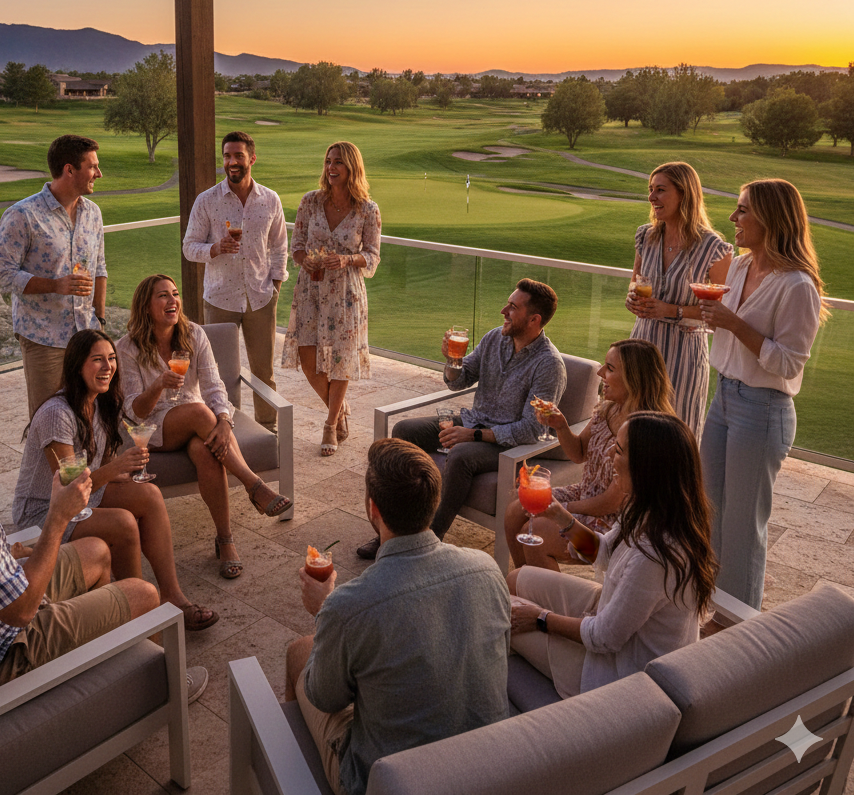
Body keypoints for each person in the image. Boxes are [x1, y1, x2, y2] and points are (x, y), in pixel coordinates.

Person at [0, 372, 208, 702]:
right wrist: (57, 517)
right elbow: (22, 611)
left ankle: (117, 669)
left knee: (96, 550)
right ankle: (167, 688)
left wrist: (2, 552)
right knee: (143, 593)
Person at [284, 438, 510, 795]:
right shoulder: (487, 569)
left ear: (373, 509)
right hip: (488, 768)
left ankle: (292, 771)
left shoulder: (348, 606)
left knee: (299, 653)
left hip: (393, 782)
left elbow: (326, 698)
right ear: (434, 503)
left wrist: (324, 609)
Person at [12, 328, 218, 631]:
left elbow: (99, 462)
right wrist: (116, 468)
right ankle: (139, 616)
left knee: (148, 495)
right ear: (77, 366)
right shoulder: (57, 414)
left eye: (111, 358)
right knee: (122, 523)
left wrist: (118, 472)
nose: (108, 366)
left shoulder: (102, 402)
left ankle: (172, 597)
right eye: (97, 360)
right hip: (46, 510)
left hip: (83, 498)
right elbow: (68, 491)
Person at [509, 412, 717, 699]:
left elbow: (603, 638)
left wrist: (541, 618)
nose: (608, 453)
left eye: (618, 449)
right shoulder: (648, 508)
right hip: (610, 615)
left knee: (504, 616)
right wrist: (561, 517)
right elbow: (604, 551)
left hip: (617, 675)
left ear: (646, 467)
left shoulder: (655, 555)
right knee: (516, 579)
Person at [357, 279, 565, 559]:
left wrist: (475, 436)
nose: (503, 310)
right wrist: (453, 360)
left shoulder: (548, 365)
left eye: (512, 307)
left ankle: (428, 541)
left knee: (461, 456)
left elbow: (532, 429)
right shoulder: (495, 338)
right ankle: (389, 532)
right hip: (473, 422)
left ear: (534, 319)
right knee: (403, 431)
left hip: (506, 443)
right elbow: (460, 380)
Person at [697, 179, 827, 609]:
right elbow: (728, 332)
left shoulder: (797, 286)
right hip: (724, 398)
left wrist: (733, 324)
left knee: (743, 526)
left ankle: (738, 626)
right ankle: (709, 603)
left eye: (743, 210)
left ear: (771, 218)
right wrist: (714, 320)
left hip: (763, 408)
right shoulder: (738, 267)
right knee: (710, 510)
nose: (733, 219)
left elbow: (789, 362)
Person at [115, 274, 293, 579]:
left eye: (175, 294)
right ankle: (254, 485)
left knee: (205, 451)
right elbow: (134, 410)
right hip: (154, 426)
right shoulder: (127, 347)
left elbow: (214, 387)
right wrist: (159, 383)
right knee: (199, 412)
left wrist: (224, 421)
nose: (173, 300)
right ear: (145, 306)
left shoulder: (194, 334)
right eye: (163, 296)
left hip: (200, 426)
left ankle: (225, 540)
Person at [504, 338, 675, 572]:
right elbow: (578, 453)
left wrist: (561, 510)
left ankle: (543, 598)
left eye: (610, 368)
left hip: (614, 520)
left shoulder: (645, 430)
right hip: (585, 493)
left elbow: (612, 502)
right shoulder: (608, 408)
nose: (600, 372)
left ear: (635, 379)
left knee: (537, 532)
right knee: (517, 503)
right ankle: (522, 584)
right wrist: (561, 425)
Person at [0, 134, 107, 423]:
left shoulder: (93, 213)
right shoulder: (22, 215)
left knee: (90, 417)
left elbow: (100, 269)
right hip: (44, 340)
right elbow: (1, 275)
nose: (99, 173)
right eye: (92, 166)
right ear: (69, 170)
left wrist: (100, 322)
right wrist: (56, 285)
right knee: (48, 422)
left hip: (87, 335)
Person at [182, 130, 289, 432]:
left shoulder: (270, 200)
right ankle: (229, 429)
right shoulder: (207, 201)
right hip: (219, 299)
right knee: (220, 373)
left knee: (263, 372)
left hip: (260, 298)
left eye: (238, 155)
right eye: (227, 156)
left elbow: (280, 246)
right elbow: (189, 247)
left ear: (252, 159)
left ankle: (268, 429)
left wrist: (276, 286)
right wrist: (215, 249)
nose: (231, 162)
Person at [282, 141, 381, 456]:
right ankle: (340, 409)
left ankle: (330, 424)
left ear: (352, 167)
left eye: (338, 162)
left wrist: (347, 260)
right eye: (327, 161)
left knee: (340, 362)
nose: (331, 168)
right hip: (311, 289)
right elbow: (296, 243)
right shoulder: (310, 202)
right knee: (308, 359)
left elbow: (372, 256)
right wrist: (304, 260)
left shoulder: (368, 209)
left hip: (346, 295)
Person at [626, 162, 732, 445]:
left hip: (683, 353)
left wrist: (671, 311)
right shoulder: (645, 236)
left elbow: (720, 314)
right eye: (650, 190)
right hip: (642, 346)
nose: (652, 197)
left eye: (660, 190)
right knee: (634, 434)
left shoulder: (713, 248)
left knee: (674, 438)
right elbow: (635, 283)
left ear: (685, 194)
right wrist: (632, 299)